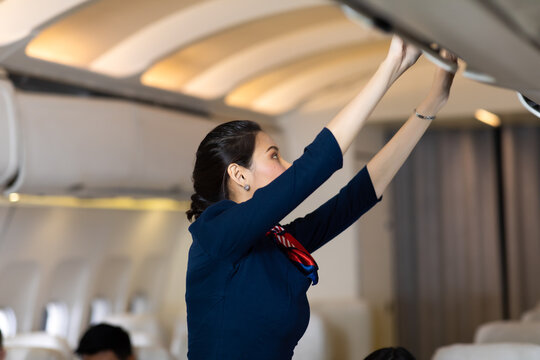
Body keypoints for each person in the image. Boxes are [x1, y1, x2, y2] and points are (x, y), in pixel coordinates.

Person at [185, 35, 457, 359]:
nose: (286, 166)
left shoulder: (275, 243)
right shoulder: (214, 234)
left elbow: (357, 196)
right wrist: (392, 65)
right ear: (239, 175)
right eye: (274, 156)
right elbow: (313, 166)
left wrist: (433, 102)